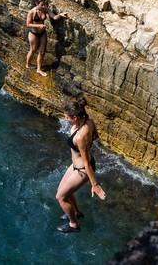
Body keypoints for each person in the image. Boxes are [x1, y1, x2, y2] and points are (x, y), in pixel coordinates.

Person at [55, 97, 106, 233]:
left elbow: (86, 162)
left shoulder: (80, 137)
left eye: (67, 117)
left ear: (75, 117)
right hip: (76, 166)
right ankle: (76, 212)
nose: (65, 119)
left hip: (82, 170)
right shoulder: (88, 121)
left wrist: (94, 184)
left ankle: (74, 225)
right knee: (65, 193)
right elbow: (95, 135)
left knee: (60, 197)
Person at [25, 0, 67, 76]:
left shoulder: (45, 9)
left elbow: (54, 17)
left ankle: (39, 69)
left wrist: (60, 15)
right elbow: (28, 24)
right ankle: (28, 64)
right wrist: (39, 25)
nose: (44, 6)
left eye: (44, 4)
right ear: (36, 3)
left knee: (42, 52)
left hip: (43, 33)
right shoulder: (32, 12)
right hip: (33, 34)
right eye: (42, 4)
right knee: (33, 50)